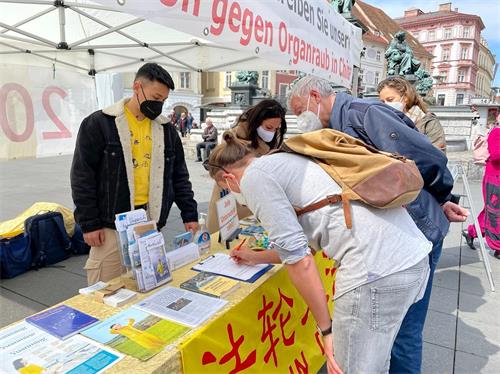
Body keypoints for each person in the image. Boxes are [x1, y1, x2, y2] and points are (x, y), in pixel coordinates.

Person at [206, 131, 432, 373]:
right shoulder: (285, 160)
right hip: (412, 256)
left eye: (227, 189)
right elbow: (305, 245)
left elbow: (300, 261)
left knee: (350, 368)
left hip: (375, 272)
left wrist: (326, 330)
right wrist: (255, 256)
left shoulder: (253, 179)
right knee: (377, 360)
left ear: (229, 179)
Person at [288, 75, 469, 374]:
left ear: (315, 96)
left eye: (299, 110)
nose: (299, 118)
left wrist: (440, 197)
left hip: (415, 230)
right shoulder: (337, 125)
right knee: (390, 334)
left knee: (404, 335)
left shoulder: (363, 114)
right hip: (396, 233)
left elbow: (427, 157)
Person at [71, 63, 198, 286]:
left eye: (163, 100)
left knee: (146, 283)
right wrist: (89, 223)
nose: (159, 104)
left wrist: (190, 213)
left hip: (150, 220)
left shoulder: (166, 129)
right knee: (105, 287)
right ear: (137, 87)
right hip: (110, 223)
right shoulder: (100, 123)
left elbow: (179, 175)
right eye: (155, 97)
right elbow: (83, 176)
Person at [206, 99, 287, 233]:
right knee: (226, 233)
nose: (272, 132)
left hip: (256, 194)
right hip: (232, 192)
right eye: (268, 127)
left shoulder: (273, 137)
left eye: (276, 128)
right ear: (257, 122)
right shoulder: (235, 137)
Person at [378, 76, 446, 152]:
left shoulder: (428, 122)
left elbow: (438, 155)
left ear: (405, 98)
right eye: (382, 102)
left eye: (390, 99)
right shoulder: (383, 121)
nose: (386, 104)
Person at [463, 119, 500, 259]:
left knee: (490, 211)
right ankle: (498, 247)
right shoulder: (497, 132)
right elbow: (496, 156)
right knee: (495, 213)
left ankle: (472, 232)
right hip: (495, 178)